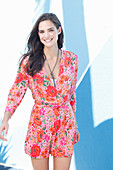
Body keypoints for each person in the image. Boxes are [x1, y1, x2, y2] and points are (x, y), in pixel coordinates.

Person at [0, 13, 80, 170]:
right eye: (41, 32)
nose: (46, 35)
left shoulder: (72, 60)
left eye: (50, 30)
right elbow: (17, 91)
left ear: (59, 30)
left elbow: (71, 95)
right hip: (40, 123)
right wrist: (6, 118)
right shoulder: (29, 62)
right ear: (38, 34)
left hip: (65, 124)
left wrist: (74, 124)